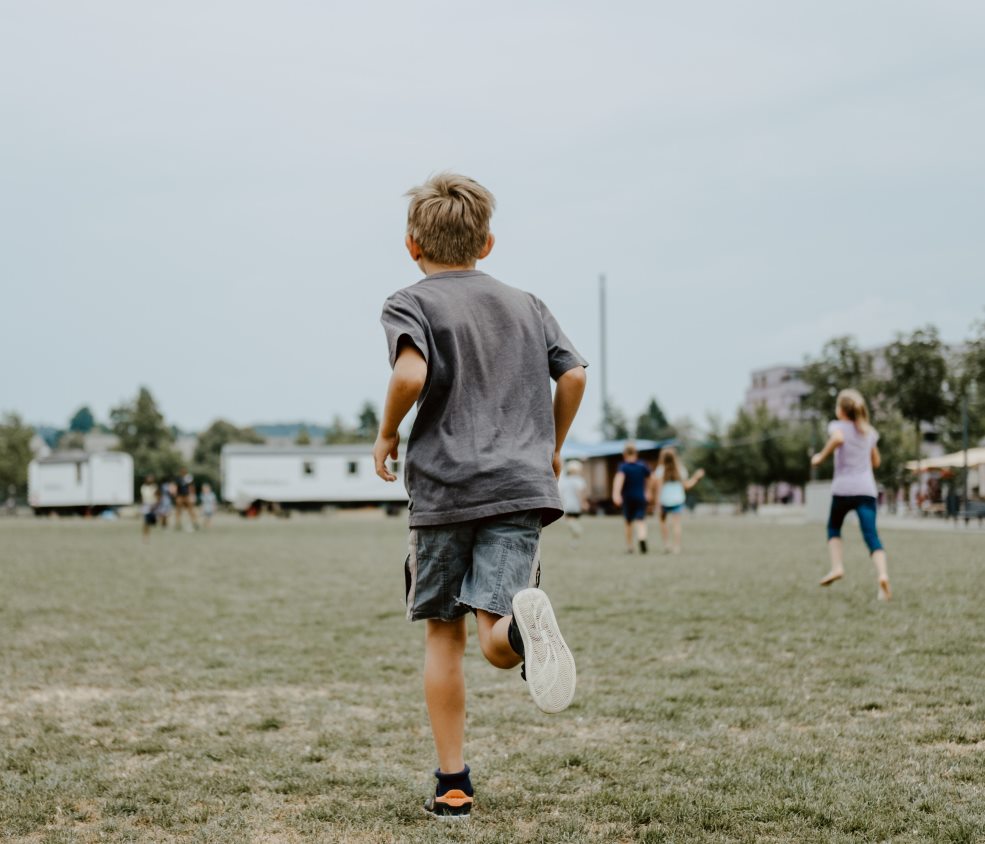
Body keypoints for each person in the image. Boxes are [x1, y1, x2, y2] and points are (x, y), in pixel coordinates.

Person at [374, 172, 587, 820]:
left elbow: (411, 372)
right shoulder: (527, 304)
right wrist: (551, 441)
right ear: (487, 243)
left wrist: (387, 433)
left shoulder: (410, 302)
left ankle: (453, 785)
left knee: (444, 637)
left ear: (412, 245)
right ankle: (519, 631)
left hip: (445, 490)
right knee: (494, 630)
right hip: (520, 486)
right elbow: (572, 373)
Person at [810, 388, 891, 601]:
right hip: (866, 490)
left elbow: (837, 439)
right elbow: (876, 462)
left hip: (843, 489)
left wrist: (820, 457)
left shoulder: (838, 426)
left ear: (841, 411)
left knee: (834, 527)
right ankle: (882, 576)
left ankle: (837, 567)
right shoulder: (869, 432)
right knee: (871, 536)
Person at [651, 448, 704, 553]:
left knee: (663, 523)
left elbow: (657, 488)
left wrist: (657, 502)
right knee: (676, 524)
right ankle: (676, 547)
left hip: (664, 501)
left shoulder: (660, 471)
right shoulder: (680, 470)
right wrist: (696, 477)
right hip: (677, 500)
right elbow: (687, 486)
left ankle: (667, 545)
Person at [611, 443, 651, 553]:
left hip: (628, 498)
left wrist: (616, 494)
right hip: (640, 496)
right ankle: (642, 537)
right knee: (640, 520)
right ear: (636, 454)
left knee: (628, 522)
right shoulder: (642, 466)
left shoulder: (623, 467)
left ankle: (630, 546)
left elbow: (619, 480)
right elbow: (650, 478)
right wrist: (648, 491)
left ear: (624, 454)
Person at [558, 460, 590, 541]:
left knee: (569, 518)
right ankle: (576, 531)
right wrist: (583, 502)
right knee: (573, 518)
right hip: (576, 503)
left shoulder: (565, 480)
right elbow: (580, 492)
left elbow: (561, 492)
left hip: (567, 503)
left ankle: (576, 531)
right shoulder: (579, 480)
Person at [139, 475, 158, 541]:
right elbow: (142, 497)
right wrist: (142, 506)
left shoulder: (154, 487)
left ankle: (149, 535)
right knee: (146, 521)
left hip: (153, 505)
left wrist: (156, 504)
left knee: (152, 522)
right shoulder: (143, 487)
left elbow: (157, 496)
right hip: (146, 505)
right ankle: (145, 536)